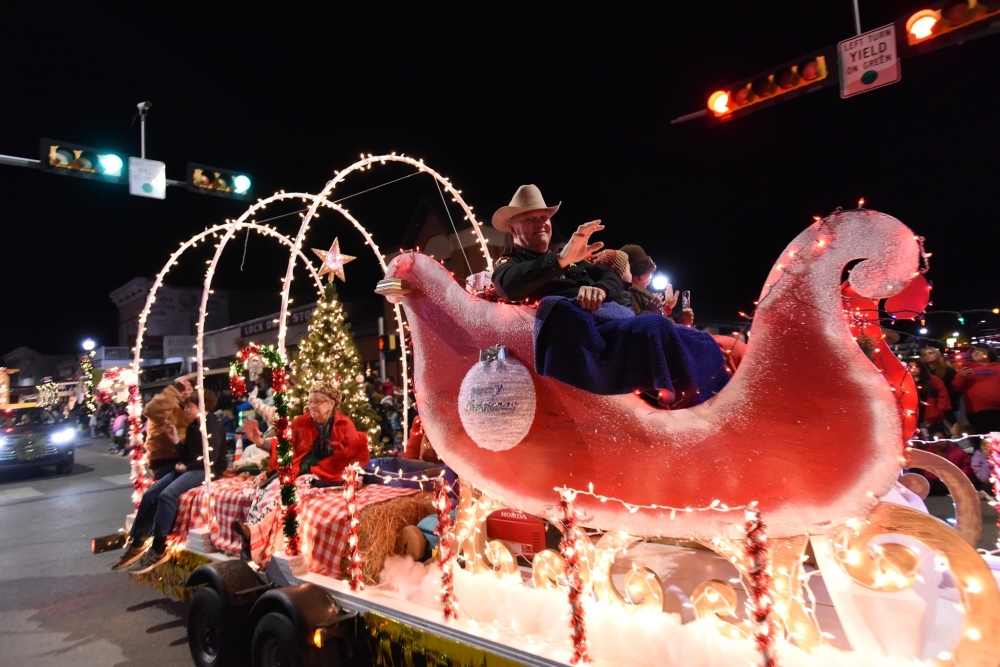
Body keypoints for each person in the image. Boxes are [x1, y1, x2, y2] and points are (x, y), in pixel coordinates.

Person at [490, 184, 728, 406]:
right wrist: (562, 259)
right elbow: (508, 284)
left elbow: (613, 279)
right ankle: (676, 402)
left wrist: (600, 290)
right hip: (586, 332)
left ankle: (713, 401)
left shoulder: (574, 261)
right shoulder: (511, 261)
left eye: (544, 217)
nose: (541, 223)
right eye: (531, 218)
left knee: (700, 339)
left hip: (613, 323)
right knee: (653, 326)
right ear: (513, 228)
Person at [233, 380, 369, 565]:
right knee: (273, 488)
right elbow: (284, 446)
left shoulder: (345, 425)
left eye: (318, 401)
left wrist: (344, 470)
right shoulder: (301, 423)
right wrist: (259, 441)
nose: (312, 405)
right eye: (311, 401)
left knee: (289, 497)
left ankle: (254, 533)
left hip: (328, 474)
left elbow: (356, 454)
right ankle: (252, 535)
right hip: (302, 469)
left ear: (332, 403)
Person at [114, 390, 227, 572]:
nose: (186, 409)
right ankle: (138, 542)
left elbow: (210, 459)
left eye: (189, 406)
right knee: (151, 493)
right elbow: (188, 454)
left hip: (206, 470)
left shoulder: (211, 425)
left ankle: (159, 548)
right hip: (192, 466)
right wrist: (174, 438)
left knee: (168, 494)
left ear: (201, 407)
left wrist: (187, 468)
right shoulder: (192, 426)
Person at [143, 374, 196, 478]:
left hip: (187, 459)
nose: (186, 392)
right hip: (165, 462)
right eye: (182, 388)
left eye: (189, 389)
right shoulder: (167, 406)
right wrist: (175, 390)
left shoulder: (192, 408)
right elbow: (151, 410)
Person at [952, 344, 1000, 435]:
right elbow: (956, 388)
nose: (976, 352)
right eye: (973, 351)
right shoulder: (966, 368)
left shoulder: (998, 367)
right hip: (976, 411)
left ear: (988, 353)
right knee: (980, 437)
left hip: (997, 410)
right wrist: (961, 376)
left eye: (980, 350)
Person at [907, 359, 952, 434]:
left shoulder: (933, 380)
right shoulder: (904, 381)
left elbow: (943, 395)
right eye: (910, 367)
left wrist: (938, 411)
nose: (913, 369)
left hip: (932, 417)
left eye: (916, 367)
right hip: (912, 417)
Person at [921, 347, 961, 418]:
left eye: (931, 353)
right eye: (924, 355)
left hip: (949, 406)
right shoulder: (922, 373)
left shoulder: (948, 371)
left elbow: (955, 389)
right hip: (929, 407)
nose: (927, 355)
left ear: (937, 355)